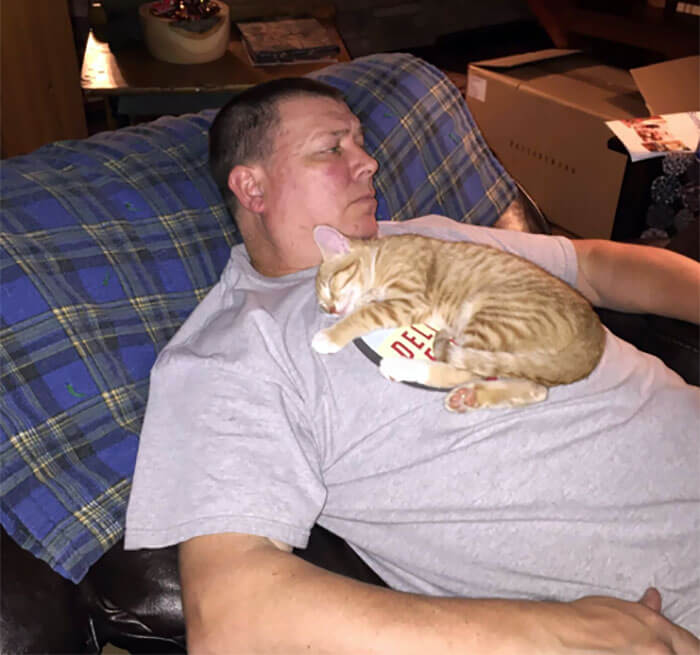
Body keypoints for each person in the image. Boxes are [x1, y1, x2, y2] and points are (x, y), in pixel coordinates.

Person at [124, 77, 700, 653]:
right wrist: (559, 632)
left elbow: (594, 266)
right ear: (252, 187)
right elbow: (230, 614)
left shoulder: (426, 235)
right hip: (670, 602)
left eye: (360, 142)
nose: (369, 162)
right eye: (332, 148)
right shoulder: (234, 352)